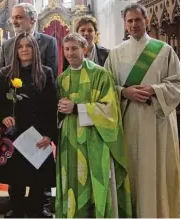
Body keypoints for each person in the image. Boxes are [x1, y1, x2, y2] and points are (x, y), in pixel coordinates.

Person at [104, 3, 180, 217]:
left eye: (138, 20)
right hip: (128, 122)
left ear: (146, 21)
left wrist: (155, 89)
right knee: (133, 171)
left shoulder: (164, 50)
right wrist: (123, 92)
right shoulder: (115, 54)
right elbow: (106, 88)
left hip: (158, 122)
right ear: (124, 24)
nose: (134, 24)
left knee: (156, 172)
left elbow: (177, 84)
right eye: (130, 21)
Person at [56, 33, 132, 218]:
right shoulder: (62, 79)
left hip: (96, 138)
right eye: (67, 49)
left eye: (74, 48)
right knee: (73, 182)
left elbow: (110, 110)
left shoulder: (101, 74)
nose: (70, 53)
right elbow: (58, 113)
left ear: (85, 49)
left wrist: (77, 108)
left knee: (95, 181)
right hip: (70, 140)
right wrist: (59, 110)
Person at [0, 3, 57, 217]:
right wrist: (4, 116)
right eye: (13, 17)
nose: (24, 49)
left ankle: (39, 207)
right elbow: (1, 94)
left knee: (38, 173)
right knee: (16, 173)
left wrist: (49, 131)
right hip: (15, 127)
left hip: (38, 126)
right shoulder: (7, 68)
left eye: (19, 17)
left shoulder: (47, 66)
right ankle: (17, 208)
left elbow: (52, 100)